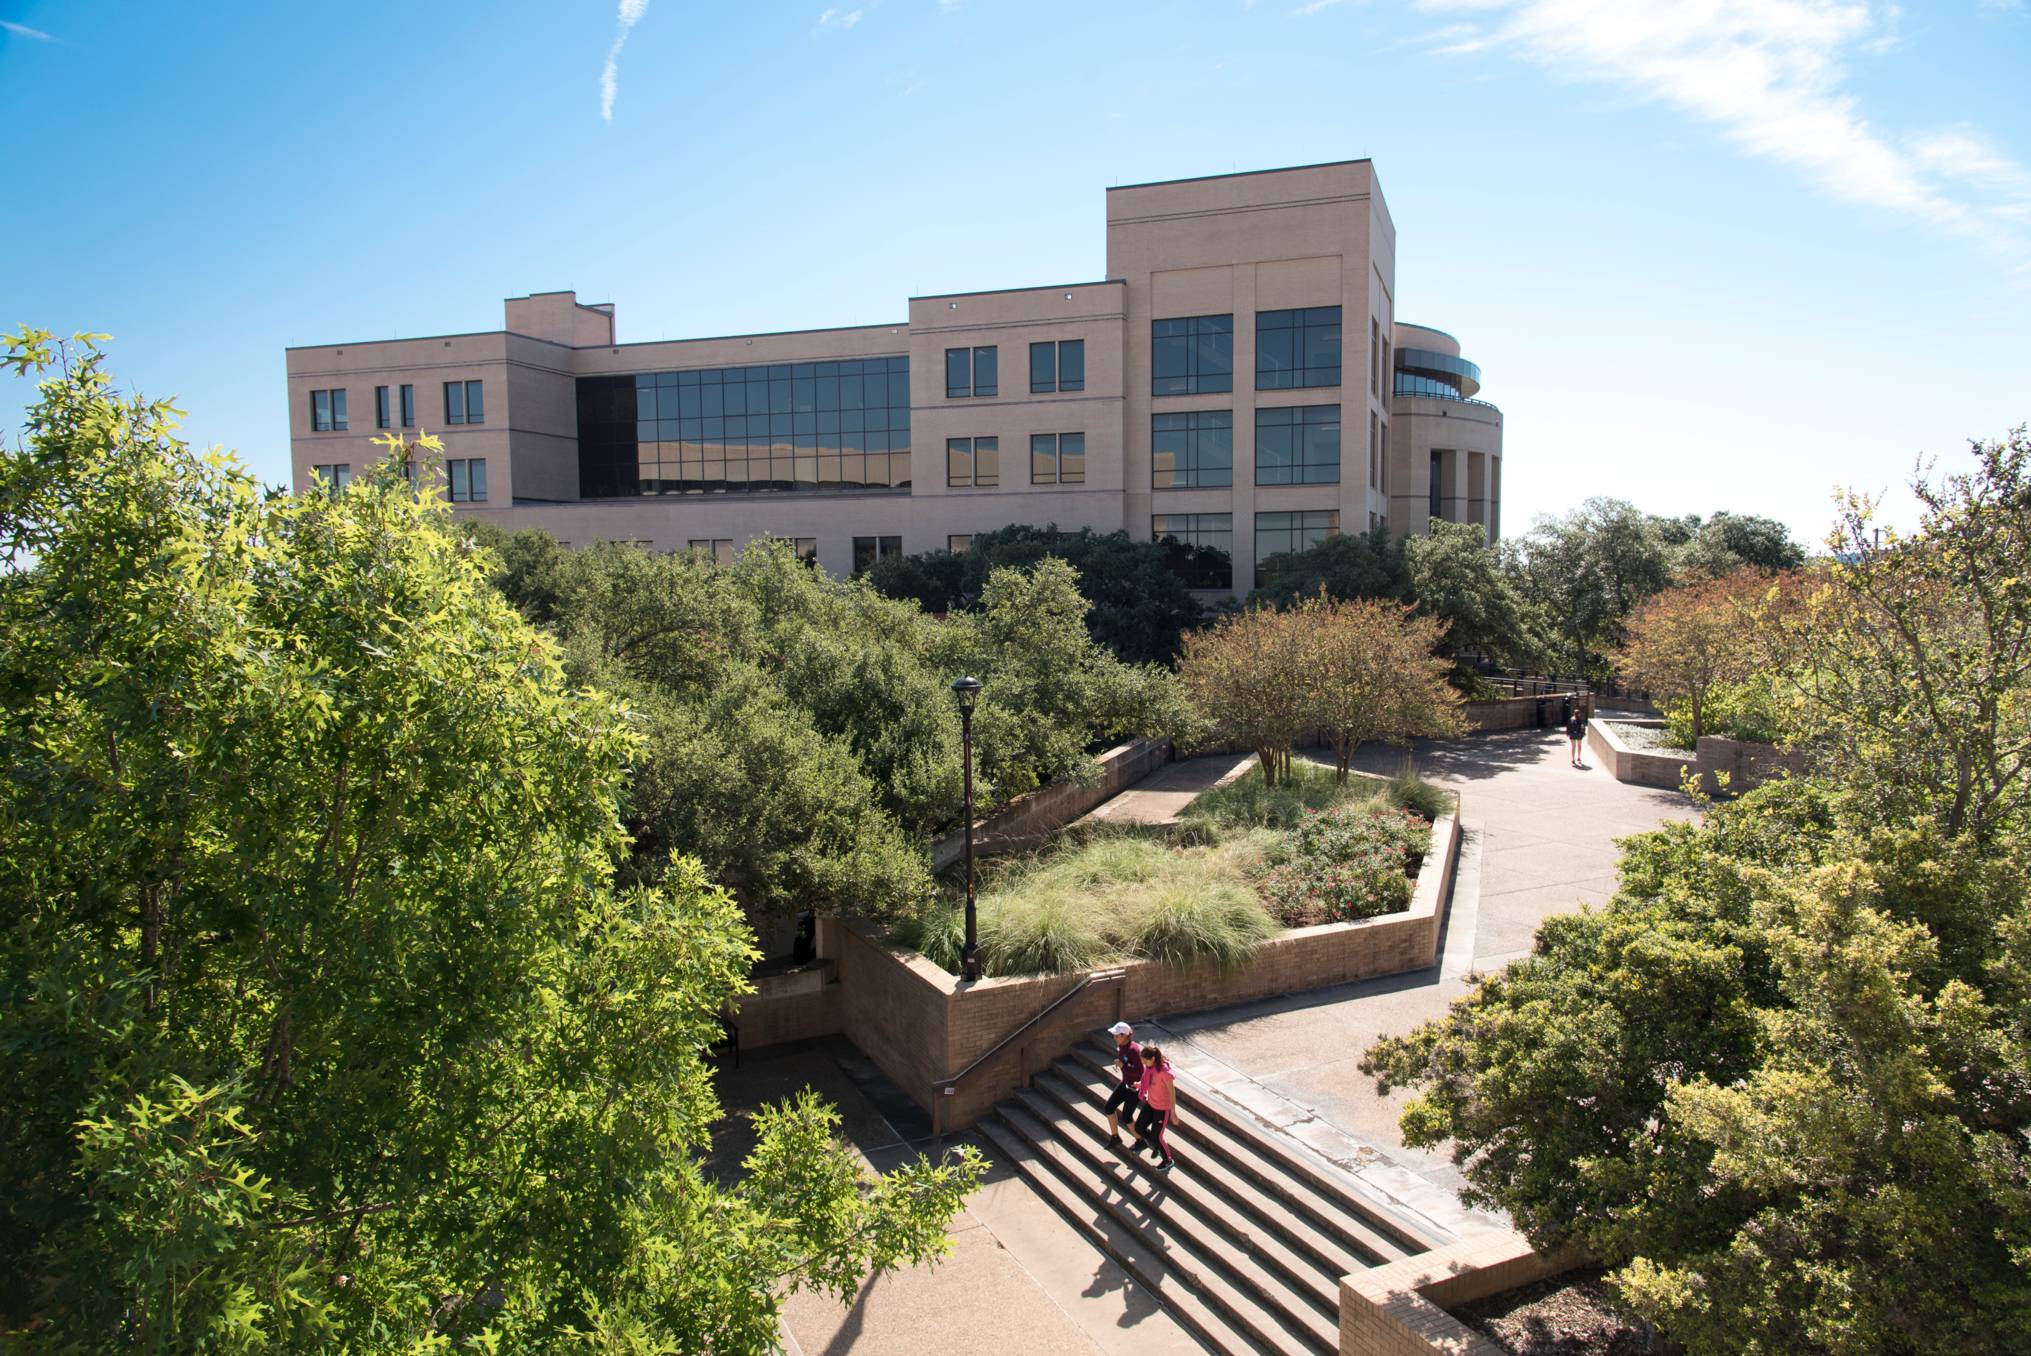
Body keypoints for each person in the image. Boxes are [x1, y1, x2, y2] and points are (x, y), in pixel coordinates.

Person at [1134, 1042, 1177, 1171]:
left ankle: (1168, 1160)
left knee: (1156, 1136)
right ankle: (1157, 1145)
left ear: (1152, 1059)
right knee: (1139, 1127)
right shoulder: (1149, 1068)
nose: (1143, 1064)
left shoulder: (1164, 1072)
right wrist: (1139, 1085)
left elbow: (1172, 1092)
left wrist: (1173, 1112)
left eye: (1145, 1061)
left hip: (1162, 1109)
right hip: (1151, 1104)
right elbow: (1147, 1081)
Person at [1102, 1021, 1143, 1147]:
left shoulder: (1133, 1050)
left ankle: (1140, 1140)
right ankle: (1115, 1137)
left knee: (1127, 1116)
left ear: (1125, 1035)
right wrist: (1122, 1064)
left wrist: (1123, 1066)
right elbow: (1126, 1064)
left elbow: (1139, 1072)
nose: (1114, 1038)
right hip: (1125, 1083)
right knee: (1109, 1107)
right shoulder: (1122, 1047)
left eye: (1116, 1035)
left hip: (1134, 1087)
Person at [1566, 702, 1589, 768]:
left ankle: (1573, 759)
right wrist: (1583, 733)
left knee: (1573, 747)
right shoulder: (1581, 720)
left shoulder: (1571, 719)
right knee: (1579, 746)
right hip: (1579, 735)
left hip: (1572, 734)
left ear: (1574, 713)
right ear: (1579, 714)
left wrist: (1568, 733)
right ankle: (1578, 757)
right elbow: (1582, 727)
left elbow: (1568, 727)